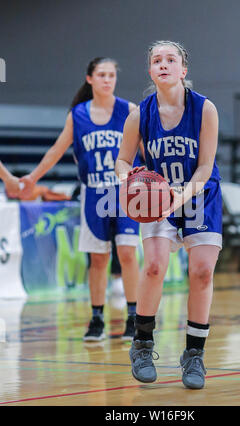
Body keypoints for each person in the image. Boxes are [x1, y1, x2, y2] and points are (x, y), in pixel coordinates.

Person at [115, 41, 222, 389]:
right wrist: (126, 181)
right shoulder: (139, 114)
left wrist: (181, 197)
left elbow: (205, 166)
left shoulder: (205, 109)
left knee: (202, 272)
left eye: (170, 59)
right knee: (155, 265)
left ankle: (194, 355)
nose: (163, 64)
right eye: (156, 60)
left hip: (198, 194)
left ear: (183, 70)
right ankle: (143, 344)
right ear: (150, 70)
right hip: (157, 194)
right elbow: (122, 160)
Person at [20, 57, 141, 342]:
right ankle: (97, 318)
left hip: (124, 193)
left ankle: (134, 317)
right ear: (90, 79)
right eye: (102, 75)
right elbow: (56, 151)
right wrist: (33, 177)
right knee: (98, 259)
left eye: (111, 75)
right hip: (94, 193)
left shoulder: (129, 110)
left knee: (126, 254)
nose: (107, 80)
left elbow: (147, 148)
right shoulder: (78, 115)